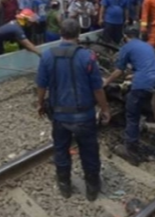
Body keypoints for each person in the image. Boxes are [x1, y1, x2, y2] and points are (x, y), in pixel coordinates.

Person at [35, 19, 110, 201]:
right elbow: (97, 88)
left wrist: (40, 104)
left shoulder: (47, 56)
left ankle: (65, 186)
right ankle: (92, 189)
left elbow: (41, 86)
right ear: (78, 34)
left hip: (60, 116)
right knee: (89, 151)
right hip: (84, 115)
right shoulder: (88, 57)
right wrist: (105, 109)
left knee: (61, 150)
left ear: (61, 33)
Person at [104, 24, 155, 164]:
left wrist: (106, 82)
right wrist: (134, 76)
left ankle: (130, 147)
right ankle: (153, 121)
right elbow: (148, 65)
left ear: (125, 36)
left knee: (132, 113)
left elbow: (119, 71)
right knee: (149, 101)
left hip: (144, 83)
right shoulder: (147, 46)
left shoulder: (126, 48)